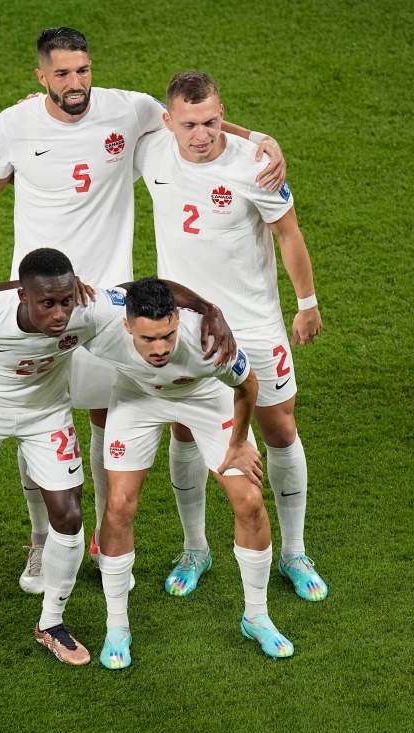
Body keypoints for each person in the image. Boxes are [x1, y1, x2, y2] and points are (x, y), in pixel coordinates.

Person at [0, 26, 286, 592]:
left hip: (107, 303)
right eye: (62, 73)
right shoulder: (13, 124)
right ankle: (41, 540)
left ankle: (98, 538)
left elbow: (192, 122)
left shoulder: (128, 110)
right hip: (37, 303)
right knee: (36, 414)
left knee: (100, 415)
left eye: (83, 70)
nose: (75, 82)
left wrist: (259, 138)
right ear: (41, 76)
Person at [0, 249, 234, 675]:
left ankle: (51, 623)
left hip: (44, 414)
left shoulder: (86, 307)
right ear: (22, 296)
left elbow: (145, 289)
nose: (60, 314)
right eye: (47, 303)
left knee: (69, 515)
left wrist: (209, 309)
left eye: (65, 300)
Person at [135, 70, 327, 601]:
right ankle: (194, 548)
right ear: (168, 122)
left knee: (279, 428)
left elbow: (288, 234)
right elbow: (88, 115)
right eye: (189, 125)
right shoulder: (151, 151)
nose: (202, 135)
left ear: (223, 114)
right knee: (184, 431)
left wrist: (307, 304)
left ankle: (294, 552)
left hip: (256, 326)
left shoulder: (255, 166)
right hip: (186, 327)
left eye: (212, 122)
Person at [83, 278, 293, 669]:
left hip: (205, 398)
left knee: (249, 501)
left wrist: (239, 442)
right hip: (137, 399)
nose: (160, 348)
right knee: (119, 506)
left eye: (168, 335)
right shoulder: (100, 321)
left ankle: (256, 617)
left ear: (179, 319)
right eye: (148, 339)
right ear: (127, 325)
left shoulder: (207, 342)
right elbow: (32, 300)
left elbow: (248, 385)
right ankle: (117, 627)